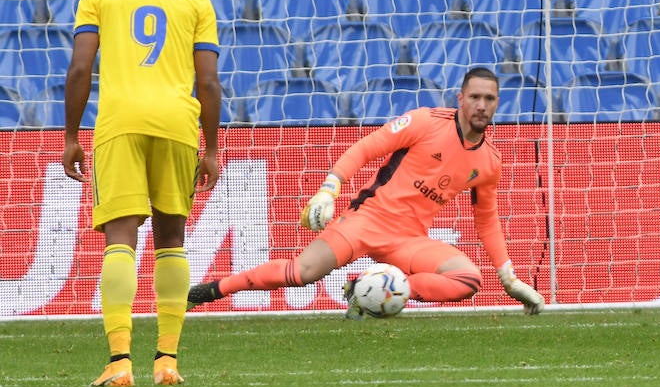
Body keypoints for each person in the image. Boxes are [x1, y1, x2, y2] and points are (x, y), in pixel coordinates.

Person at [187, 67, 546, 317]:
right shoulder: (425, 122)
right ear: (460, 99)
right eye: (475, 97)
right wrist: (330, 189)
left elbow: (487, 221)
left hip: (409, 240)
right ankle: (211, 291)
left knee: (467, 280)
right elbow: (365, 148)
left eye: (490, 99)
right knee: (301, 272)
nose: (482, 106)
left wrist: (509, 278)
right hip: (367, 221)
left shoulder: (489, 161)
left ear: (498, 102)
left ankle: (366, 290)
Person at [62, 0, 222, 387]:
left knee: (120, 237)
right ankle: (167, 361)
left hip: (119, 123)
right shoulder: (197, 2)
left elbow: (79, 70)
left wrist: (71, 136)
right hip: (176, 123)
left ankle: (118, 362)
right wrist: (211, 148)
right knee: (171, 237)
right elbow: (209, 82)